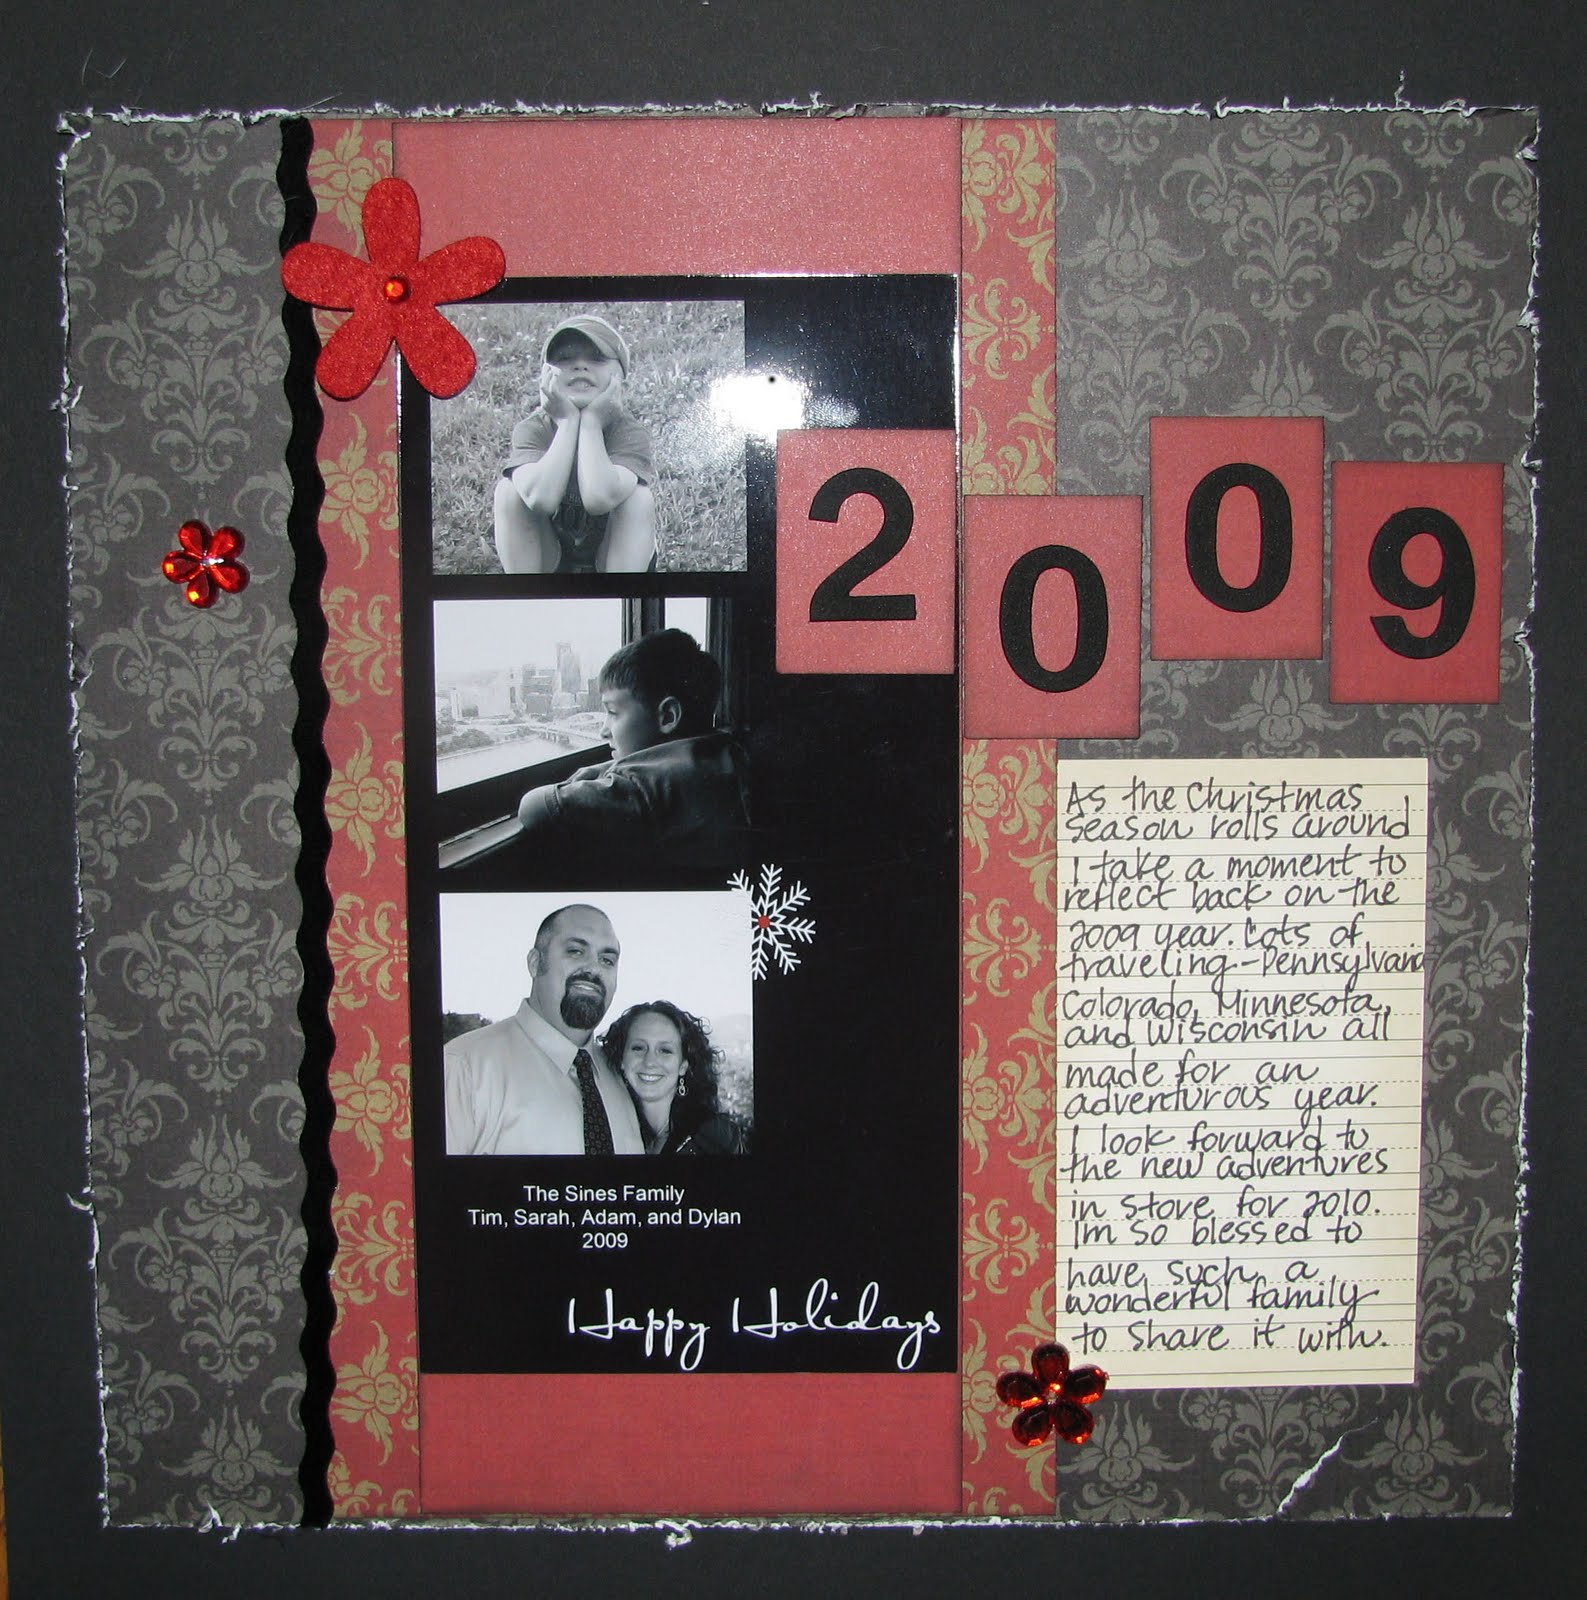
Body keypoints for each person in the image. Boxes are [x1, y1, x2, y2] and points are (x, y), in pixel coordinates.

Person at [514, 628, 749, 870]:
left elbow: (534, 808)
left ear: (668, 716)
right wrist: (607, 766)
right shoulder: (728, 750)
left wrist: (615, 770)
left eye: (613, 712)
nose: (603, 731)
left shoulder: (642, 786)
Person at [443, 903, 644, 1156]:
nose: (594, 969)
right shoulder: (464, 1068)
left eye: (607, 960)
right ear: (535, 963)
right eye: (576, 951)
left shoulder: (623, 1076)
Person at [492, 314, 658, 574]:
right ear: (546, 376)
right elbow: (540, 498)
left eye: (597, 358)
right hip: (551, 562)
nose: (580, 366)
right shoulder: (534, 429)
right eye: (565, 358)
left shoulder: (628, 432)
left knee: (638, 498)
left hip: (612, 562)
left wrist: (591, 423)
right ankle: (527, 593)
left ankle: (622, 594)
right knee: (508, 491)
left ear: (620, 379)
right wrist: (567, 421)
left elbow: (600, 498)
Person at [600, 1000, 748, 1156]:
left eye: (665, 1050)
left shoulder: (716, 1139)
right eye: (638, 1048)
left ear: (683, 1065)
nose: (650, 1061)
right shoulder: (602, 1129)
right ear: (622, 1059)